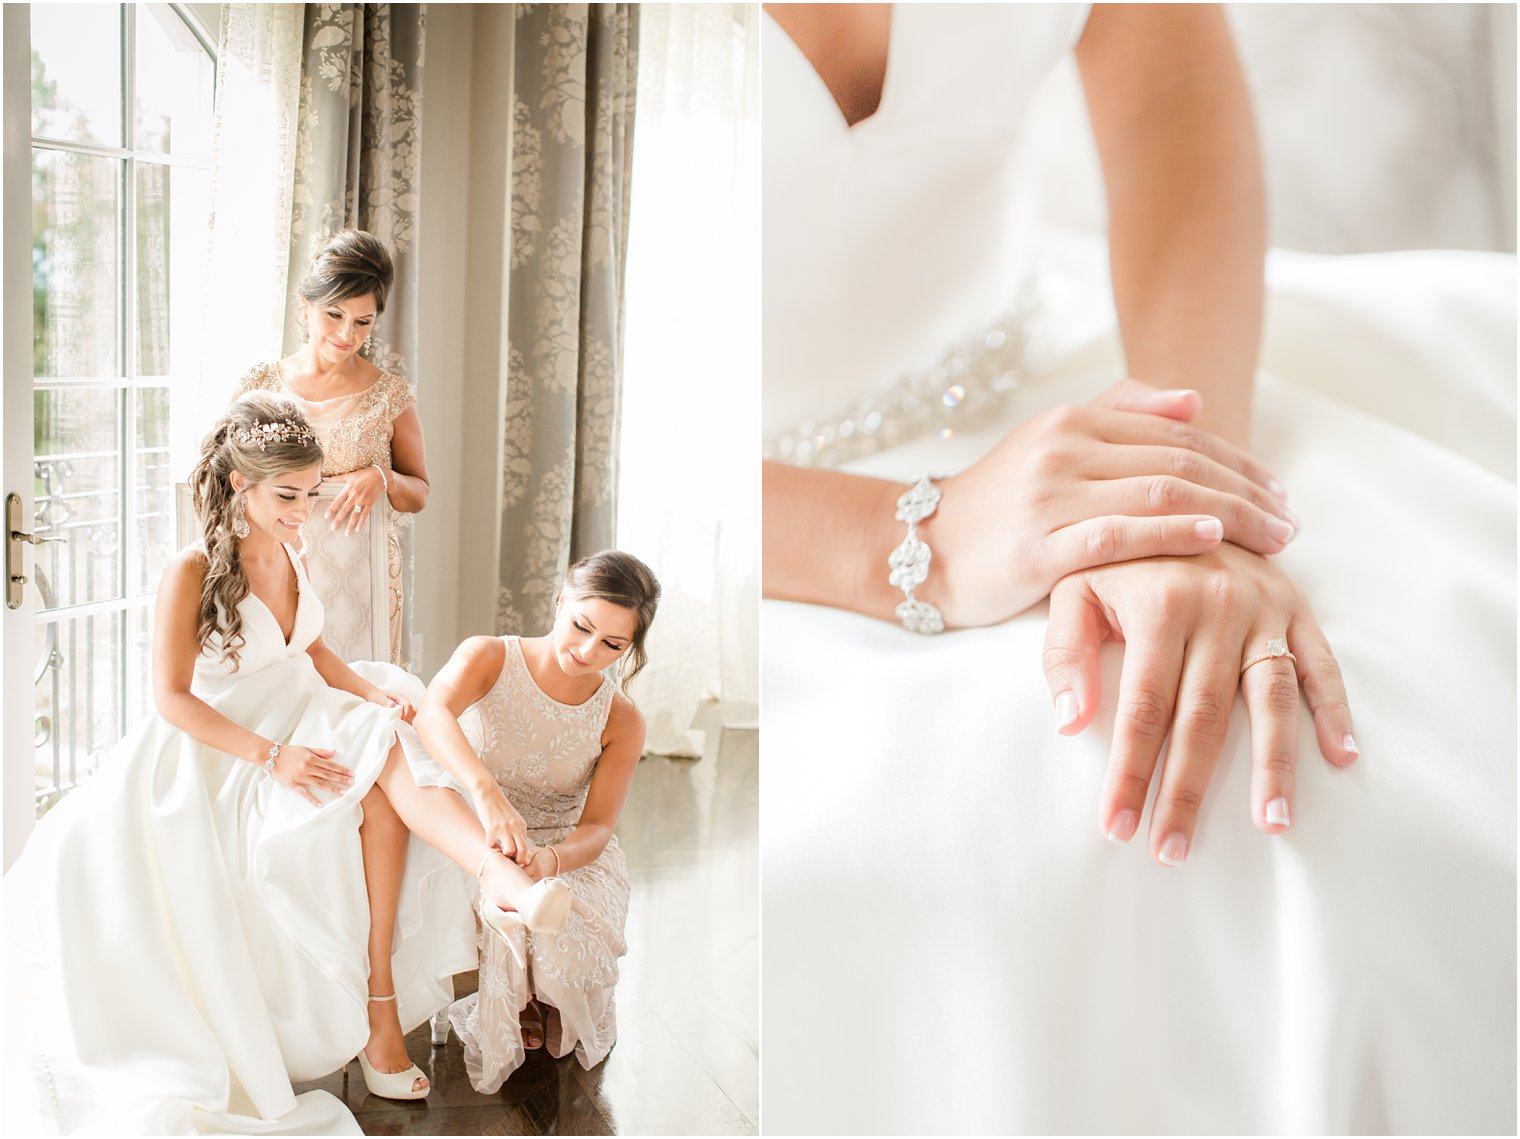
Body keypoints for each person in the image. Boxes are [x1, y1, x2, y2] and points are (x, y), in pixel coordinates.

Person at [761, 4, 1514, 1133]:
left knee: (1367, 753)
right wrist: (910, 537)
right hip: (729, 534)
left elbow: (1167, 87)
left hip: (1092, 374)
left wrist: (1180, 480)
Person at [1, 394, 570, 1135]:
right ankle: (422, 968)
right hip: (224, 741)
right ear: (240, 483)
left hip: (300, 705)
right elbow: (172, 699)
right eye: (289, 496)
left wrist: (370, 690)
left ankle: (497, 890)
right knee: (375, 766)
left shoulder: (291, 547)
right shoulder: (193, 568)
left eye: (310, 493)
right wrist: (274, 758)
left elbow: (312, 650)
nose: (305, 511)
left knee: (387, 730)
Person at [400, 551, 659, 1092]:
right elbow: (432, 713)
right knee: (508, 903)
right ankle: (518, 988)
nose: (588, 652)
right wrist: (485, 790)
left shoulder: (623, 719)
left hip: (564, 847)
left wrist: (551, 860)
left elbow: (598, 827)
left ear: (631, 648)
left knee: (565, 938)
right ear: (560, 601)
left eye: (613, 645)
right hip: (476, 828)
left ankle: (540, 992)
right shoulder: (489, 656)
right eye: (581, 627)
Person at [235, 230, 426, 665]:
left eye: (363, 322)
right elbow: (225, 477)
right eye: (334, 315)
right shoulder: (260, 384)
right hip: (270, 567)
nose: (346, 334)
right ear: (305, 306)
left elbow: (419, 493)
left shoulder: (390, 395)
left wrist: (383, 476)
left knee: (360, 700)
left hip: (362, 573)